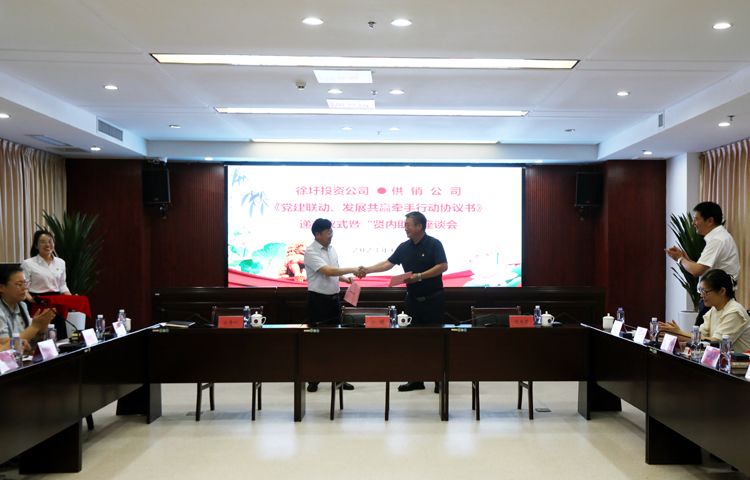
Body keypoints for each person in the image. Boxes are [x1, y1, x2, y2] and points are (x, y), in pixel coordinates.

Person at [361, 211, 448, 393]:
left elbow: (443, 266)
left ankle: (438, 379)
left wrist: (419, 276)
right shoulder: (404, 247)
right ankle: (416, 379)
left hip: (433, 301)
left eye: (408, 224)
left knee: (435, 340)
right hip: (412, 302)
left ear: (419, 226)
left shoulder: (434, 244)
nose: (405, 228)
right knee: (413, 341)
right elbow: (388, 264)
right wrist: (366, 270)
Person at [304, 218, 364, 393]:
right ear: (317, 234)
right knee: (316, 340)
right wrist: (352, 269)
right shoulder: (310, 251)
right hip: (318, 302)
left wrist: (344, 279)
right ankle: (313, 379)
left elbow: (333, 272)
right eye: (328, 232)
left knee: (337, 341)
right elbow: (326, 271)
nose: (331, 235)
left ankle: (339, 378)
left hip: (334, 301)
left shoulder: (332, 249)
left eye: (332, 231)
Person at [665, 202, 740, 325]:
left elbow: (697, 271)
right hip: (715, 298)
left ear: (710, 220)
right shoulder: (719, 237)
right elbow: (705, 269)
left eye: (696, 219)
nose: (693, 223)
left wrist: (680, 259)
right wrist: (687, 260)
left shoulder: (717, 240)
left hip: (716, 299)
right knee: (701, 334)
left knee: (701, 336)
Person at [659, 269, 750, 353]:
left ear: (722, 291)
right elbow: (701, 336)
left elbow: (717, 342)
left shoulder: (735, 312)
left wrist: (680, 334)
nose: (702, 296)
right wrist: (676, 335)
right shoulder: (713, 310)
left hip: (740, 363)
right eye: (700, 291)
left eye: (705, 292)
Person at [0, 265, 56, 354]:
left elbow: (32, 341)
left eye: (25, 283)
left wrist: (41, 329)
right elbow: (5, 347)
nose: (25, 288)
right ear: (1, 287)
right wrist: (35, 326)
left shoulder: (22, 305)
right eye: (19, 284)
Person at [22, 230, 72, 302]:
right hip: (37, 300)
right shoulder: (28, 263)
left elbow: (62, 284)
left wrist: (71, 298)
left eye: (50, 241)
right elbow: (24, 286)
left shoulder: (60, 262)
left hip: (56, 300)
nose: (48, 245)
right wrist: (31, 299)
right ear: (36, 245)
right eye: (43, 242)